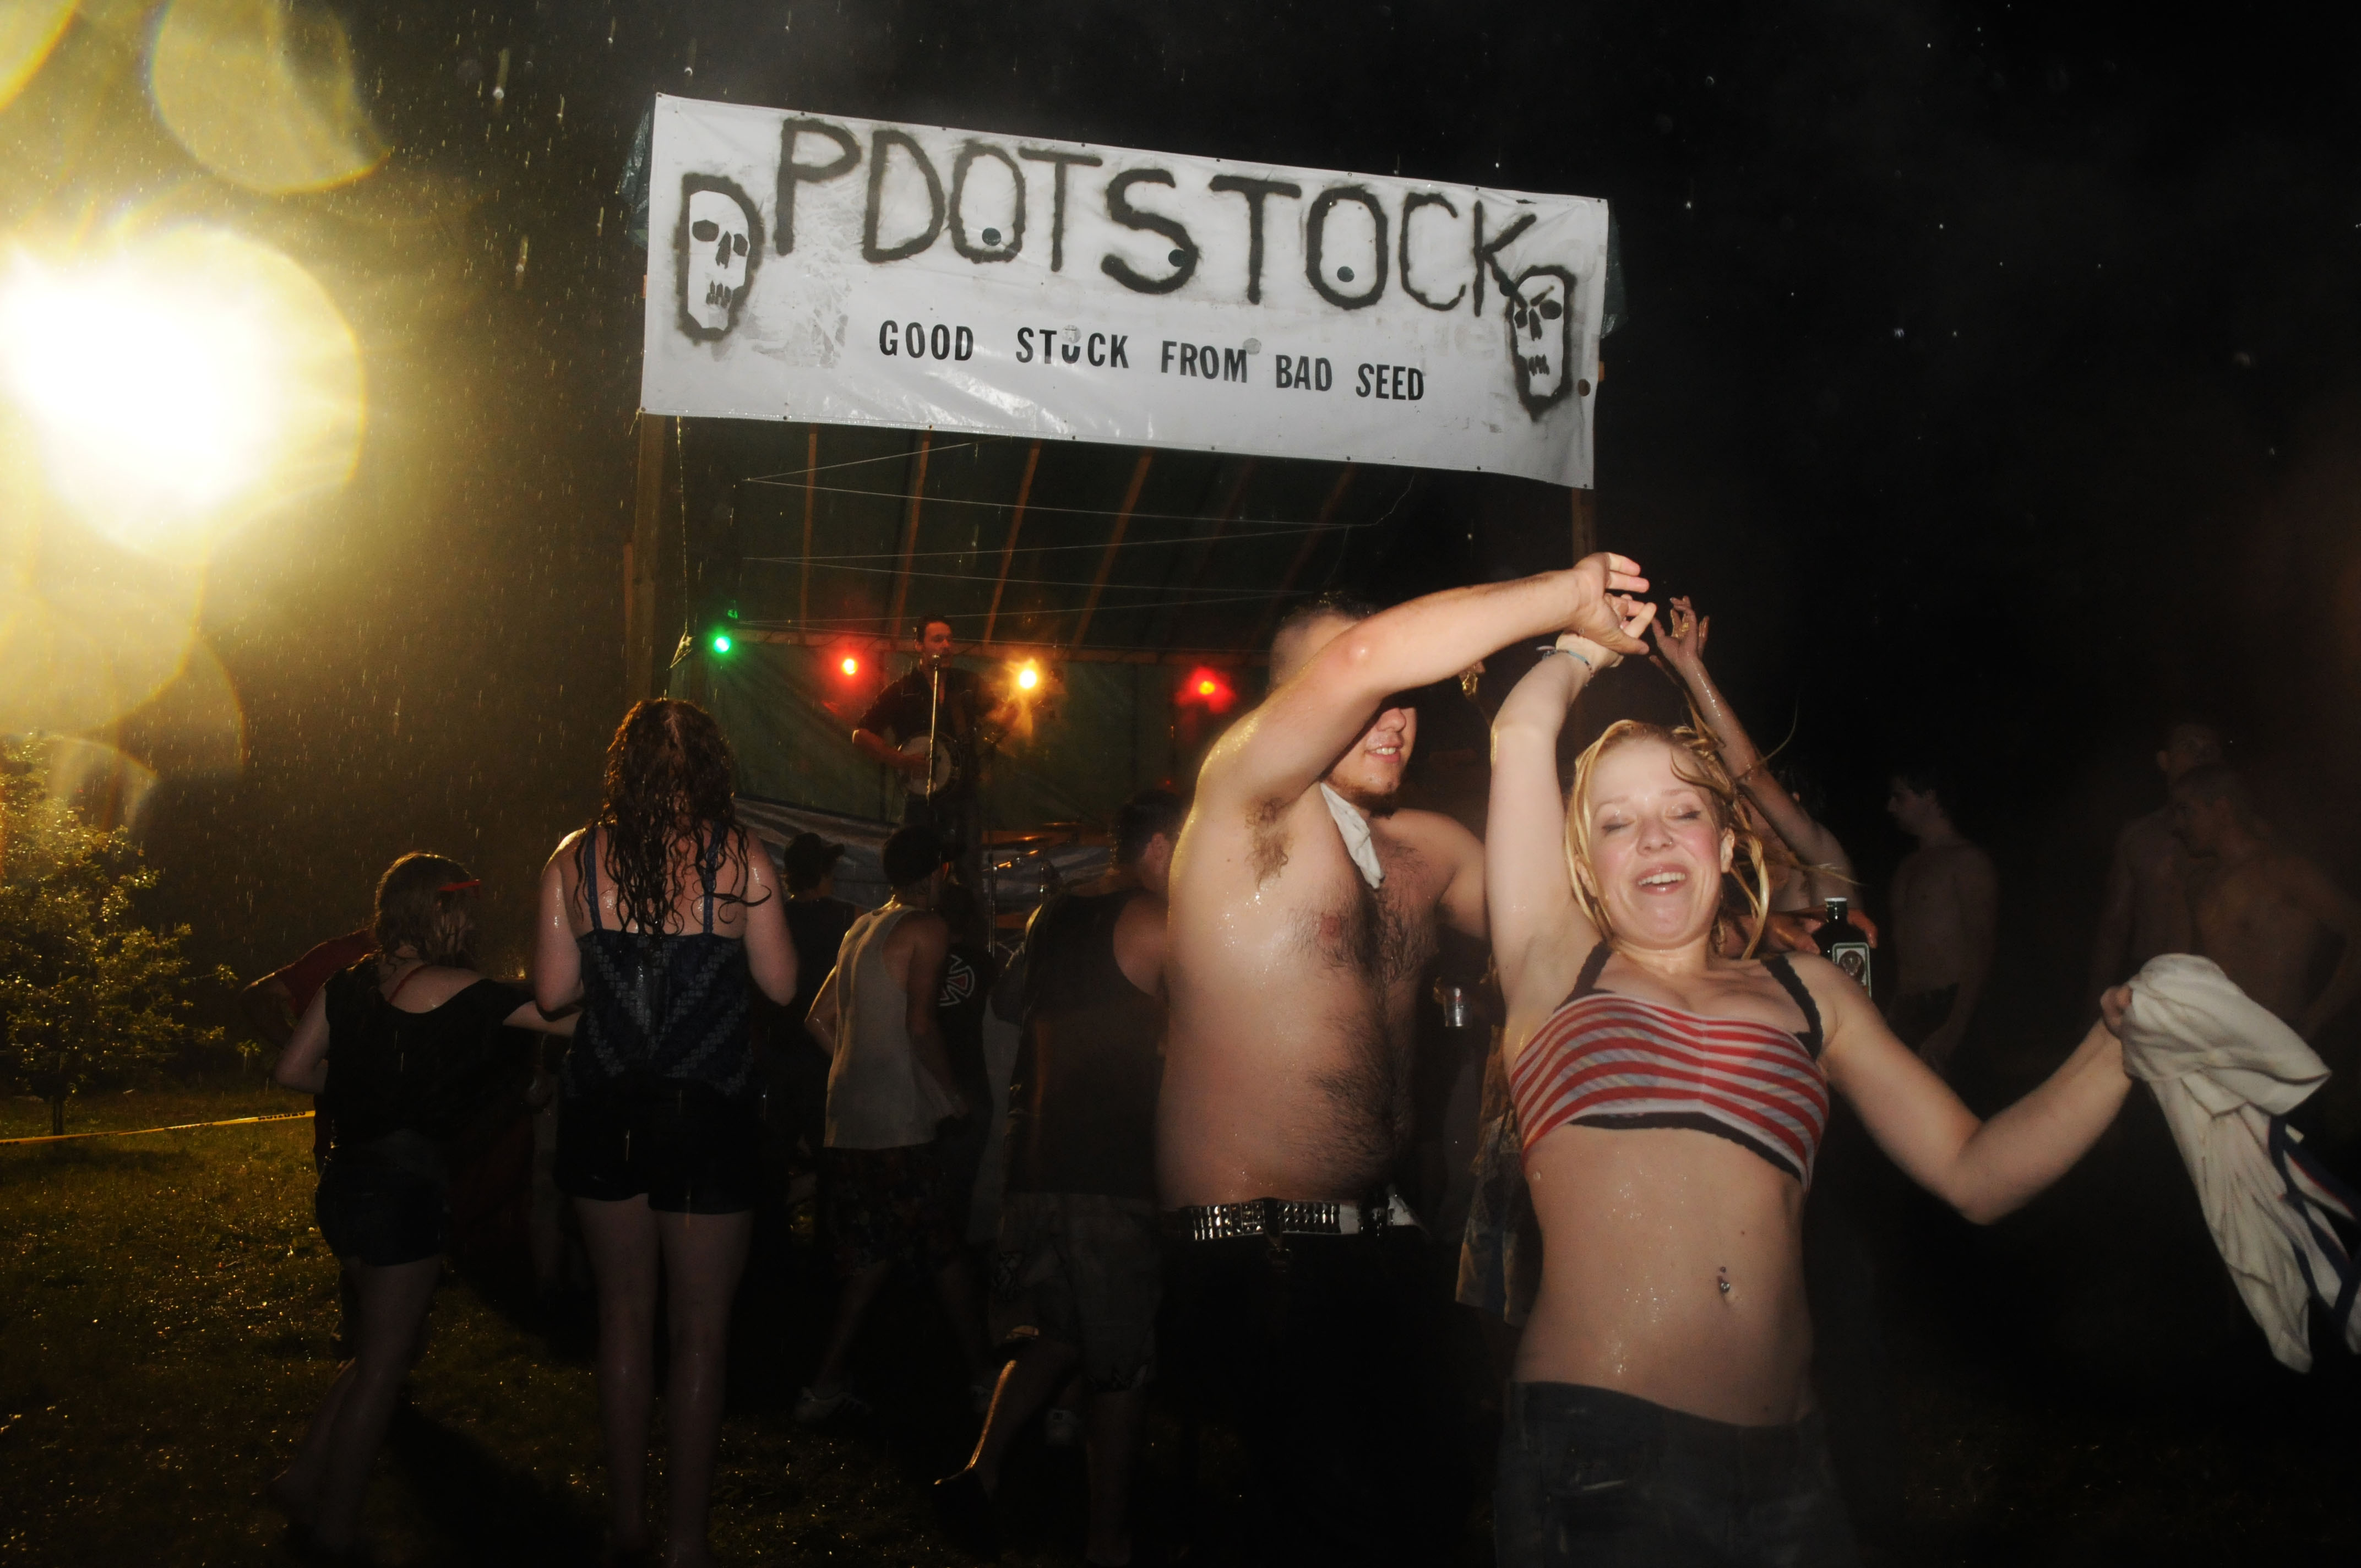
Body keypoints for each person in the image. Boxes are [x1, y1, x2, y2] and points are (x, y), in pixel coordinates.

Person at [1485, 605, 2138, 1567]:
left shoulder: (1809, 990)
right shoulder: (1553, 962)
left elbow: (1976, 1169)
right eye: (1617, 824)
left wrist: (2121, 1046)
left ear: (1725, 842)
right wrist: (1585, 641)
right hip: (1599, 1458)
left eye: (1682, 813)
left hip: (1791, 1476)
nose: (1654, 839)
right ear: (1583, 859)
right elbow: (1519, 729)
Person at [1158, 559, 1650, 1564]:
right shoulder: (1246, 808)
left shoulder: (1421, 850)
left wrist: (1572, 659)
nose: (1392, 716)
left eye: (1405, 701)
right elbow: (1366, 658)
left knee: (1436, 1503)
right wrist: (1569, 592)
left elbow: (1559, 919)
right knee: (1341, 1529)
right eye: (1361, 691)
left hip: (1382, 1239)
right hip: (1258, 1253)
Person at [531, 700, 799, 1568]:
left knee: (621, 1318)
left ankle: (627, 1527)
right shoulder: (740, 855)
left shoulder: (575, 858)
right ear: (712, 767)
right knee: (701, 1333)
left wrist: (615, 959)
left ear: (628, 766)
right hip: (709, 1109)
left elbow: (551, 994)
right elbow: (783, 986)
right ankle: (686, 1543)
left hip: (604, 1104)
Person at [267, 854, 574, 1556]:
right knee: (385, 1366)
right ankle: (336, 1527)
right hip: (402, 1195)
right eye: (463, 911)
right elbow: (565, 1019)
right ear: (440, 912)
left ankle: (303, 1478)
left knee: (379, 1347)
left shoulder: (348, 981)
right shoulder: (461, 988)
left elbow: (291, 1069)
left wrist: (362, 1085)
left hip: (344, 1185)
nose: (471, 924)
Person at [934, 789, 1183, 1566]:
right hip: (1109, 1173)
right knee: (1121, 1365)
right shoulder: (1155, 919)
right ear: (1159, 850)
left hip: (1036, 1164)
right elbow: (1205, 1030)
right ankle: (1108, 1542)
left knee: (1058, 1334)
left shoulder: (1054, 914)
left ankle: (979, 1474)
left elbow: (1010, 1003)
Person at [797, 823, 993, 1422]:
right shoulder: (926, 928)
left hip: (848, 1119)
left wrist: (860, 1071)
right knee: (942, 1249)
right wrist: (950, 1093)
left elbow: (818, 1020)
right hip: (897, 1125)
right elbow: (921, 1025)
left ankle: (825, 1386)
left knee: (877, 1254)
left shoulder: (861, 928)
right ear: (936, 872)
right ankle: (985, 1378)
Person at [1651, 596, 1862, 921]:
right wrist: (1689, 683)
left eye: (1744, 796)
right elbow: (1723, 755)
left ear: (1791, 801)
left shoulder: (1823, 864)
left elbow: (1751, 774)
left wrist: (1693, 668)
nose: (1733, 802)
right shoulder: (1754, 887)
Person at [850, 613, 1017, 931]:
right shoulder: (902, 690)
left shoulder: (968, 685)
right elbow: (861, 734)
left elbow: (999, 718)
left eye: (950, 639)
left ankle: (970, 940)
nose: (946, 645)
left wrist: (1014, 711)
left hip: (963, 795)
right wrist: (900, 760)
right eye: (937, 639)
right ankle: (911, 934)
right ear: (919, 646)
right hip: (919, 800)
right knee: (916, 872)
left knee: (969, 874)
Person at [2171, 763, 2361, 1041]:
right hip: (2215, 1038)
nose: (2178, 825)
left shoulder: (2285, 871)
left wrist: (2317, 1016)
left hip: (2280, 1033)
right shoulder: (2201, 885)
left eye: (2187, 811)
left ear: (2222, 810)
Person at [2086, 722, 2226, 1010]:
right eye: (2190, 747)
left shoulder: (2238, 838)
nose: (2201, 756)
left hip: (2211, 986)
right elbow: (2114, 927)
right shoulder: (2138, 836)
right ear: (2165, 760)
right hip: (2146, 979)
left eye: (2210, 750)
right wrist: (2094, 1004)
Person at [1885, 761, 1998, 1071]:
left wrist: (1955, 1027)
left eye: (1900, 797)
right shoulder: (1907, 866)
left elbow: (1982, 946)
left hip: (1951, 1005)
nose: (1890, 807)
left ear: (1930, 797)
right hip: (1907, 1008)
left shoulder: (1968, 861)